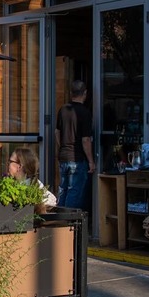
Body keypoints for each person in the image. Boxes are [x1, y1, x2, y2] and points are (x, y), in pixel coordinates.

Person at [55, 80, 95, 209]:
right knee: (74, 192)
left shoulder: (63, 110)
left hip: (64, 157)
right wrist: (91, 161)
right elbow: (86, 140)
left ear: (71, 93)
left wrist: (61, 147)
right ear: (85, 93)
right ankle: (67, 223)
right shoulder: (85, 112)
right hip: (77, 159)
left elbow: (57, 132)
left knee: (63, 190)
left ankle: (58, 221)